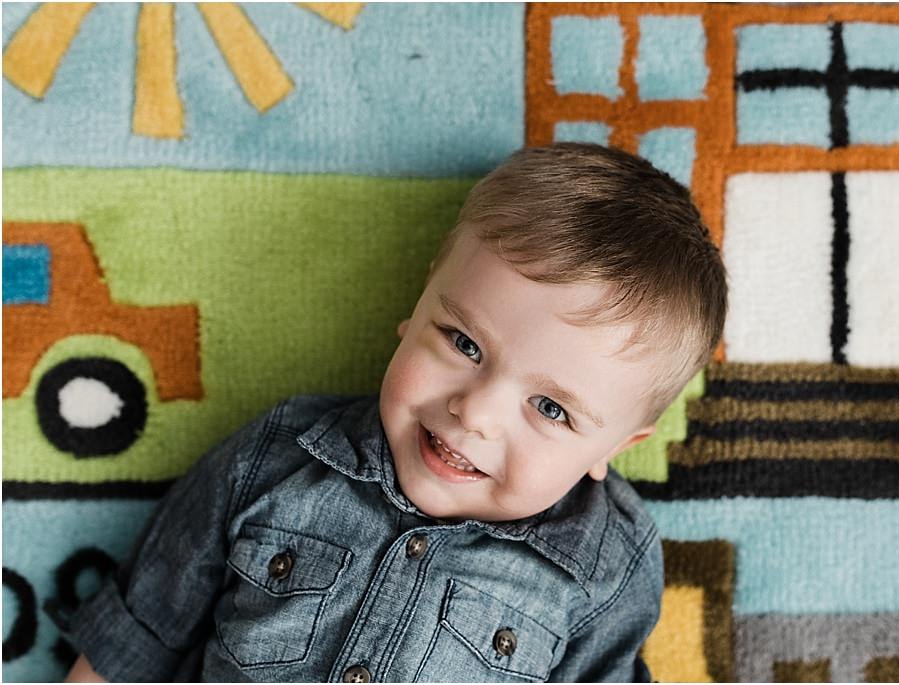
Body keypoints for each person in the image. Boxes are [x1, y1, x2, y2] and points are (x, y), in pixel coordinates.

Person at [61, 143, 727, 682]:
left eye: (550, 407)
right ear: (415, 310)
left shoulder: (602, 566)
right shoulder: (281, 456)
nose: (474, 411)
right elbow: (138, 636)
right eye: (463, 342)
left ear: (614, 444)